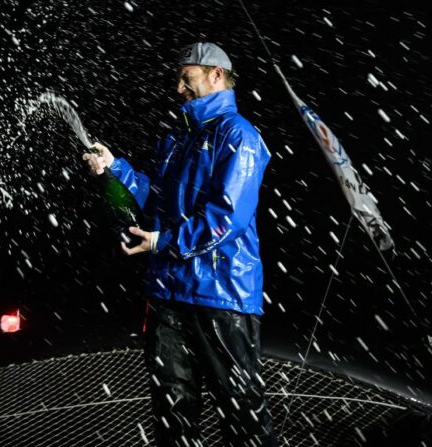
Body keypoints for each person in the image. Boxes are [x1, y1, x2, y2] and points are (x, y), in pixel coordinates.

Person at [83, 42, 277, 446]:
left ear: (216, 76)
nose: (177, 89)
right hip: (168, 296)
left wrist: (163, 242)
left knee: (241, 411)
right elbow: (158, 204)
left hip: (221, 297)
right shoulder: (177, 140)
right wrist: (115, 169)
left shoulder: (239, 135)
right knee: (172, 413)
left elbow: (227, 218)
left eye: (186, 80)